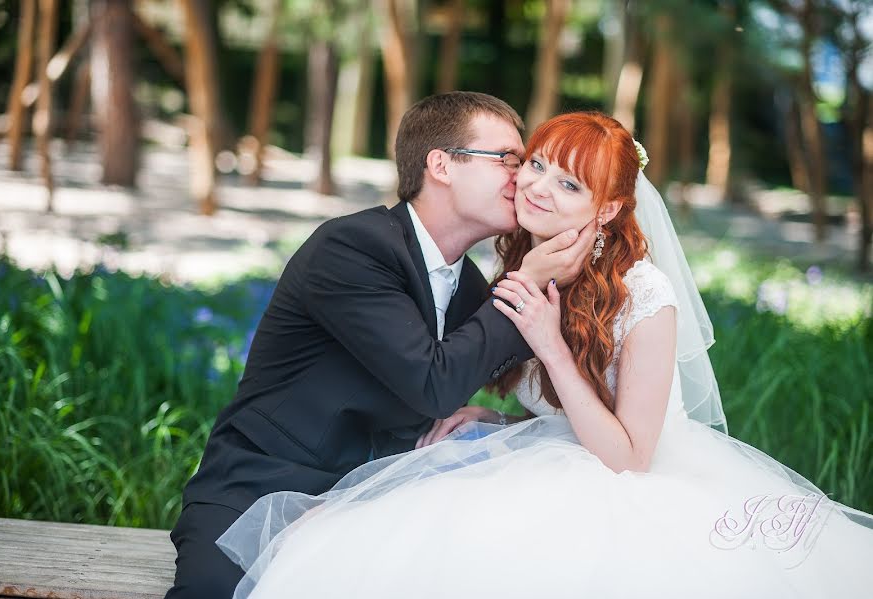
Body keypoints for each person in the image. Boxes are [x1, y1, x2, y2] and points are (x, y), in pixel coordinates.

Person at [218, 112, 873, 599]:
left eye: (569, 184)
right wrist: (494, 422)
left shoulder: (645, 293)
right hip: (540, 461)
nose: (536, 188)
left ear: (612, 206)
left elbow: (630, 455)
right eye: (535, 165)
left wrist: (551, 346)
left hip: (628, 490)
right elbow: (477, 385)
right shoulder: (515, 267)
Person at [165, 92, 596, 599]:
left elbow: (552, 390)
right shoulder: (352, 249)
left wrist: (496, 418)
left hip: (374, 505)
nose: (521, 176)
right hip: (262, 491)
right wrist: (526, 280)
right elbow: (432, 384)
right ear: (441, 164)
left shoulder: (472, 289)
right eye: (507, 158)